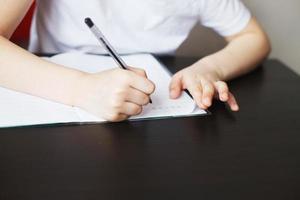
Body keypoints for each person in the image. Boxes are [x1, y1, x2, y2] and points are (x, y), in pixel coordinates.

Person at [0, 0, 270, 121]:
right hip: (49, 94)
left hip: (154, 111)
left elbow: (254, 37)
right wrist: (80, 89)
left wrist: (210, 68)